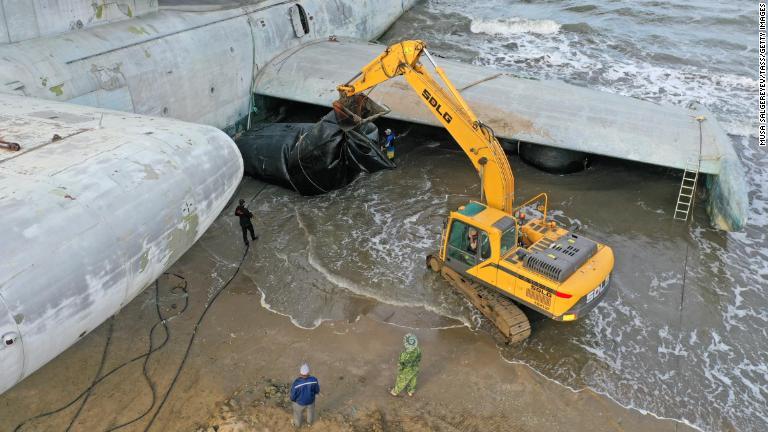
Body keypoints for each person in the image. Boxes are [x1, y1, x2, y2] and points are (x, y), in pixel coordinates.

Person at [390, 333, 422, 397]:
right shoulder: (418, 349)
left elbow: (401, 363)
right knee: (413, 380)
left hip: (407, 370)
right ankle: (411, 391)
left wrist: (400, 369)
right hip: (415, 368)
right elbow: (419, 358)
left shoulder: (404, 354)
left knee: (402, 380)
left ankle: (395, 392)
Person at [290, 363, 320, 428]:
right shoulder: (314, 380)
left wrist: (293, 400)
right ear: (308, 372)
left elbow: (293, 396)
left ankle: (297, 425)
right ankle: (309, 423)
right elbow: (317, 390)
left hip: (299, 403)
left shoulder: (296, 383)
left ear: (300, 373)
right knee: (310, 412)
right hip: (311, 401)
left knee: (297, 414)